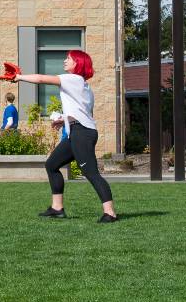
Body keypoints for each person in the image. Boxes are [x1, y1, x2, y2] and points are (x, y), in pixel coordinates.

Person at [7, 49, 118, 222]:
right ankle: (57, 208)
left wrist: (19, 77)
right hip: (77, 131)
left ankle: (110, 212)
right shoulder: (84, 86)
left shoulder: (72, 79)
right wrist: (64, 120)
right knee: (52, 165)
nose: (65, 60)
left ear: (78, 63)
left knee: (91, 172)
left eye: (69, 58)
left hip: (82, 134)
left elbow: (41, 79)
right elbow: (81, 112)